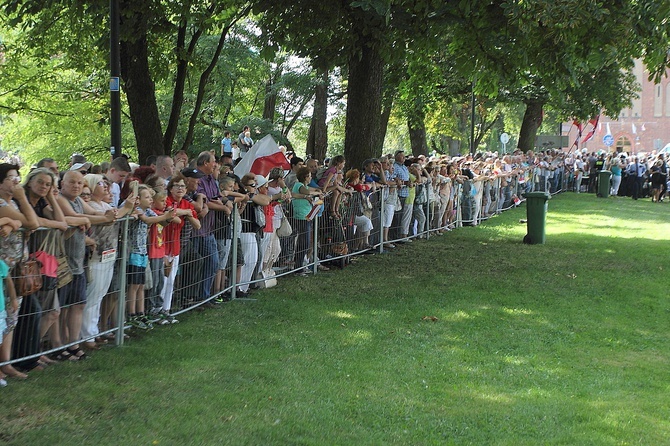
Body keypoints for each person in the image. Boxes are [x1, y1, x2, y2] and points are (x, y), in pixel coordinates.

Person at [56, 170, 115, 360]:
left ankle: (73, 344)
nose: (76, 186)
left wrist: (108, 213)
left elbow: (93, 213)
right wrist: (99, 218)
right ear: (62, 183)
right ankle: (59, 346)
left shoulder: (79, 200)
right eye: (72, 182)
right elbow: (75, 216)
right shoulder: (60, 199)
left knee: (78, 304)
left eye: (80, 183)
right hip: (63, 263)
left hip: (78, 263)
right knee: (62, 309)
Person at [80, 174, 135, 349]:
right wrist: (126, 207)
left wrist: (128, 206)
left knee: (100, 295)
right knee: (93, 296)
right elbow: (110, 218)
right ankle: (86, 336)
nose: (105, 186)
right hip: (96, 256)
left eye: (105, 183)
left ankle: (93, 332)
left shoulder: (105, 204)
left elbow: (116, 215)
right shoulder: (90, 207)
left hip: (109, 254)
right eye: (100, 183)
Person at [0, 164, 39, 379]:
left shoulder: (13, 203)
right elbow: (32, 221)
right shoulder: (3, 204)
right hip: (3, 271)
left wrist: (16, 220)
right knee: (2, 315)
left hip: (17, 269)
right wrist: (18, 212)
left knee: (11, 316)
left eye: (17, 177)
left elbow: (32, 225)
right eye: (10, 178)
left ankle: (7, 363)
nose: (16, 181)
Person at [126, 185, 175, 329]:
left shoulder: (149, 210)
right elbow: (147, 220)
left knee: (141, 285)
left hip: (143, 253)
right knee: (134, 285)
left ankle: (140, 313)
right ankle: (131, 314)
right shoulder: (138, 210)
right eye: (147, 197)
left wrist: (169, 216)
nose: (150, 200)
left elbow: (160, 221)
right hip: (134, 252)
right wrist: (165, 216)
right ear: (138, 199)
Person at [162, 175, 201, 320]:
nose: (180, 188)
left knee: (171, 279)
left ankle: (166, 309)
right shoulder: (166, 199)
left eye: (183, 186)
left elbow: (197, 225)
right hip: (162, 244)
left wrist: (189, 215)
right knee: (163, 279)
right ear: (170, 188)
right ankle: (157, 309)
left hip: (175, 246)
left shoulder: (186, 203)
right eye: (177, 186)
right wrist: (186, 212)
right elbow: (170, 212)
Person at [191, 152, 226, 307]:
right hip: (196, 230)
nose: (215, 164)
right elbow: (204, 202)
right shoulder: (196, 178)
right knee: (195, 264)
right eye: (213, 162)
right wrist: (223, 207)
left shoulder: (212, 179)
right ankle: (193, 298)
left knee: (213, 262)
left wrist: (224, 203)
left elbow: (215, 198)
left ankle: (204, 296)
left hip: (208, 229)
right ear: (205, 162)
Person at [291, 167, 322, 276]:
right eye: (309, 176)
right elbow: (308, 191)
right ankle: (298, 268)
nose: (310, 178)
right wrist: (316, 191)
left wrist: (317, 191)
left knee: (305, 243)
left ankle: (301, 266)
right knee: (303, 243)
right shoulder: (299, 185)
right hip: (301, 217)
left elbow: (309, 189)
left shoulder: (303, 186)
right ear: (305, 177)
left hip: (307, 216)